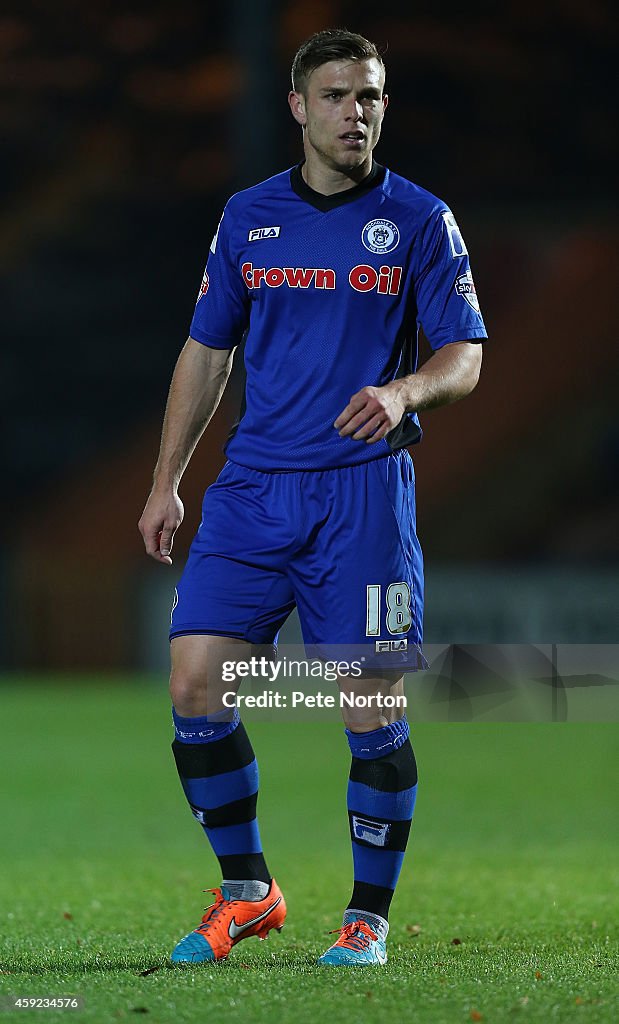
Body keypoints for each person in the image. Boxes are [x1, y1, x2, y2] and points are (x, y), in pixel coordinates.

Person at [138, 28, 487, 968]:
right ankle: (247, 893)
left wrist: (404, 390)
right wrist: (167, 480)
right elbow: (207, 352)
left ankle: (366, 918)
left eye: (369, 96)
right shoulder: (247, 218)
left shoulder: (418, 218)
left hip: (361, 498)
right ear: (299, 107)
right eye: (335, 96)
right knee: (193, 681)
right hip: (252, 491)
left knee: (367, 707)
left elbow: (464, 354)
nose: (354, 113)